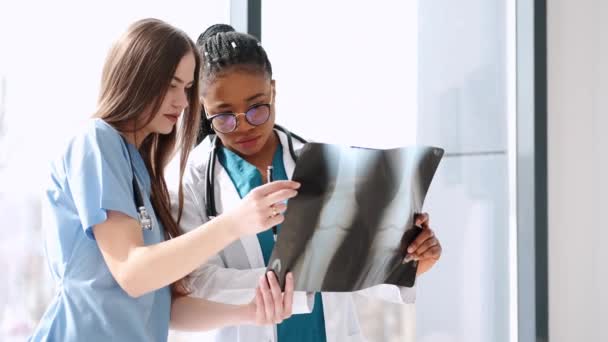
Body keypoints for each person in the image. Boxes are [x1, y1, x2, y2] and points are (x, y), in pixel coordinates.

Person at [166, 24, 443, 342]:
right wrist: (300, 281)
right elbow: (196, 281)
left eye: (257, 108)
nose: (243, 126)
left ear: (273, 90)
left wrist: (412, 259)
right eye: (225, 116)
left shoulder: (324, 166)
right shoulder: (189, 181)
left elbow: (360, 262)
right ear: (203, 108)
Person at [29, 18, 298, 342]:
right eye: (171, 85)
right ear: (136, 77)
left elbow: (165, 308)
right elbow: (132, 272)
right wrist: (234, 223)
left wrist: (251, 312)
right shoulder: (96, 142)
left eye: (187, 89)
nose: (183, 103)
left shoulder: (144, 173)